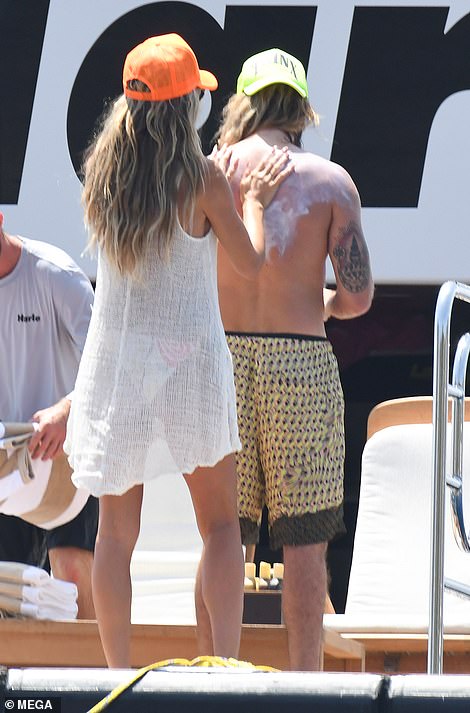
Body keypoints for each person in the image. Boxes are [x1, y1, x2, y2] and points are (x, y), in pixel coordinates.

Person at [64, 33, 292, 668]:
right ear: (186, 104)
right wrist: (253, 203)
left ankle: (117, 674)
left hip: (120, 367)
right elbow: (250, 265)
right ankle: (223, 667)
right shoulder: (204, 179)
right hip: (189, 362)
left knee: (116, 535)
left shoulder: (102, 175)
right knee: (220, 528)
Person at [215, 48, 374, 670]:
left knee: (222, 534)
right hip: (301, 364)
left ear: (244, 102)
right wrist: (319, 305)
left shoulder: (214, 171)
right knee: (305, 543)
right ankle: (304, 684)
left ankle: (213, 673)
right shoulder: (331, 182)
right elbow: (357, 298)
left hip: (225, 358)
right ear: (301, 108)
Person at [0, 211, 98, 618]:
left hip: (66, 457)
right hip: (8, 467)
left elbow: (106, 362)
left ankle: (94, 661)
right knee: (8, 595)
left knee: (72, 571)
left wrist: (65, 412)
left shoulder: (55, 273)